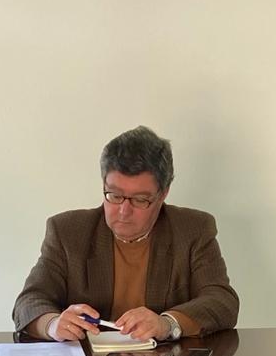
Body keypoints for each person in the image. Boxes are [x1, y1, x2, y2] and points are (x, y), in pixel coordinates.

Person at [12, 126, 239, 343]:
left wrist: (167, 324)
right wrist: (53, 325)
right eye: (115, 195)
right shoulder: (68, 231)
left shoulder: (192, 229)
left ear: (163, 193)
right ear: (104, 184)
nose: (123, 211)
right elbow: (29, 302)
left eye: (140, 200)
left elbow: (222, 301)